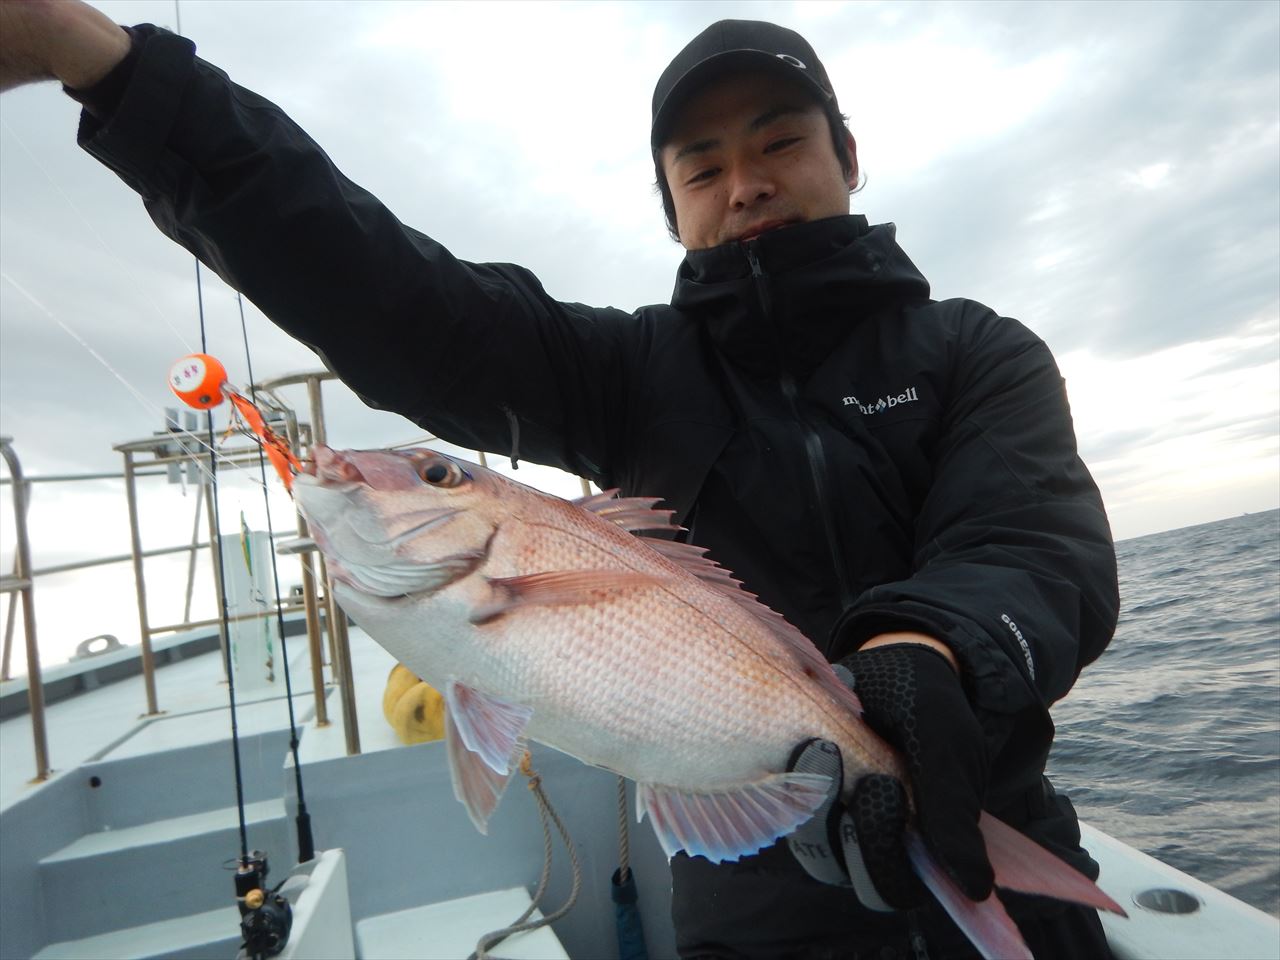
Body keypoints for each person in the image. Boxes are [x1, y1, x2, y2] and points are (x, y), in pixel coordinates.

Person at [0, 4, 1120, 957]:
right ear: (669, 203)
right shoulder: (627, 376)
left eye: (778, 143)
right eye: (703, 166)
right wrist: (116, 68)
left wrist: (924, 652)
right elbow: (396, 299)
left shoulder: (977, 351)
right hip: (761, 907)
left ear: (846, 152)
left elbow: (1029, 539)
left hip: (989, 804)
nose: (744, 185)